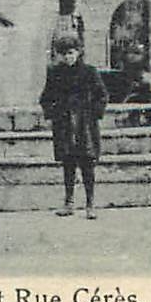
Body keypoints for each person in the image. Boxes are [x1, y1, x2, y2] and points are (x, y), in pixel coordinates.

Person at [38, 33, 109, 218]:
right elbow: (45, 98)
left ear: (78, 52)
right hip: (64, 125)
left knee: (87, 164)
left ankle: (90, 204)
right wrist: (54, 114)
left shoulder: (89, 72)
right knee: (68, 164)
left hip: (85, 125)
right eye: (64, 54)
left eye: (71, 52)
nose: (68, 57)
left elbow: (102, 96)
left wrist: (93, 114)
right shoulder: (55, 73)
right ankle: (68, 203)